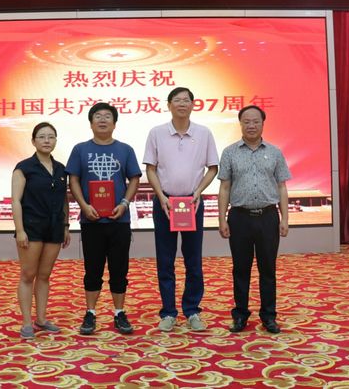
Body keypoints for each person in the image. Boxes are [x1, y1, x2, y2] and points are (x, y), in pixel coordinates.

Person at [142, 87, 219, 332]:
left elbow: (213, 168)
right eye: (177, 100)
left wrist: (198, 192)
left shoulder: (204, 133)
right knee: (165, 260)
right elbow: (150, 168)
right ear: (169, 105)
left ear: (193, 105)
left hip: (191, 203)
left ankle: (192, 310)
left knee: (193, 259)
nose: (182, 104)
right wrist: (161, 196)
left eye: (186, 100)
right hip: (165, 203)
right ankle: (168, 312)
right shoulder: (156, 133)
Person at [66, 102, 142, 335]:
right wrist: (84, 206)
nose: (102, 120)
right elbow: (73, 180)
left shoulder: (125, 150)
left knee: (119, 269)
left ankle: (119, 312)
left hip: (119, 221)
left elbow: (134, 179)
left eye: (107, 116)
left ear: (114, 123)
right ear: (90, 123)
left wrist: (124, 203)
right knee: (92, 269)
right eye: (97, 116)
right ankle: (90, 313)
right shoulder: (80, 149)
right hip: (92, 221)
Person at [217, 105, 291, 334]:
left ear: (263, 123)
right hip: (239, 218)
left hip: (268, 217)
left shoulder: (275, 152)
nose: (251, 125)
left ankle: (269, 316)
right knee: (241, 269)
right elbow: (225, 187)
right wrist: (222, 219)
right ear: (240, 124)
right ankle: (240, 315)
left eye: (256, 121)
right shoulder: (229, 152)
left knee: (268, 269)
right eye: (246, 121)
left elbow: (282, 186)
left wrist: (285, 218)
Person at [11, 122, 71, 339]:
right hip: (31, 227)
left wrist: (66, 226)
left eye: (51, 137)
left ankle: (42, 319)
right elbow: (16, 201)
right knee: (28, 275)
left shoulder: (61, 169)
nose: (47, 140)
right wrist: (20, 230)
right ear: (33, 141)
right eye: (42, 137)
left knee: (45, 275)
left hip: (55, 228)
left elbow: (64, 200)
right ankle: (27, 322)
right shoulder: (24, 168)